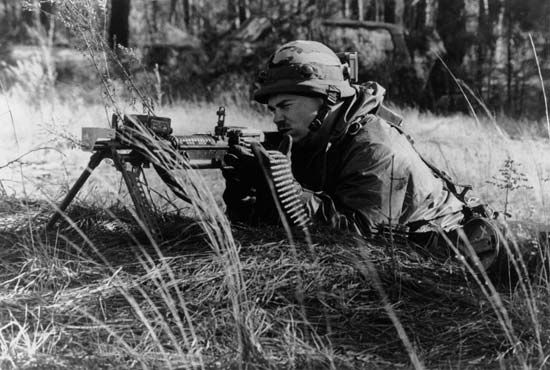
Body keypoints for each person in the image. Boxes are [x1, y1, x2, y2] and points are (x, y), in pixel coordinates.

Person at [223, 40, 501, 271]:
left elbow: (352, 239)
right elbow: (281, 224)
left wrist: (287, 188)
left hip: (447, 253)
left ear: (327, 99)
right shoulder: (316, 137)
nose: (277, 118)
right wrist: (250, 189)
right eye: (272, 110)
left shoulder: (376, 148)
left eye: (285, 105)